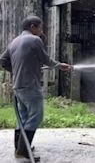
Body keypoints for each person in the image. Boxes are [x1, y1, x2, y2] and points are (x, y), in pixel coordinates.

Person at [0, 16, 71, 162]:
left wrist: (16, 70)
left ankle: (19, 148)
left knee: (23, 117)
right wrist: (60, 66)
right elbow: (46, 60)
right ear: (33, 27)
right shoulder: (34, 40)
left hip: (18, 86)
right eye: (40, 27)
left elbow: (2, 61)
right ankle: (24, 151)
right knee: (36, 117)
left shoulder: (14, 42)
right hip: (30, 86)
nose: (41, 30)